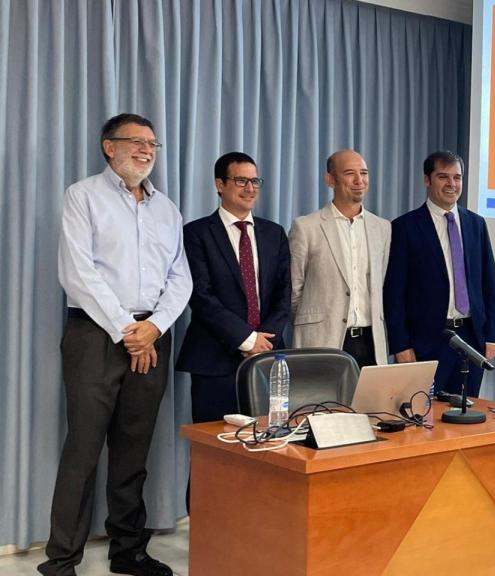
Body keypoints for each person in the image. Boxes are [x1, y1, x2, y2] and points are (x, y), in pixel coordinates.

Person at [40, 113, 192, 576]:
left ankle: (128, 550)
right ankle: (61, 559)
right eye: (136, 142)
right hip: (95, 335)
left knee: (134, 449)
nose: (147, 150)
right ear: (109, 147)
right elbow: (78, 272)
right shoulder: (82, 196)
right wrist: (129, 330)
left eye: (152, 144)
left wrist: (154, 329)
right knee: (83, 449)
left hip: (152, 337)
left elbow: (180, 278)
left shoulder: (167, 209)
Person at [176, 152, 291, 423]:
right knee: (216, 453)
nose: (250, 189)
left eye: (255, 181)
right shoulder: (196, 233)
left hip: (267, 358)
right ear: (219, 185)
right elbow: (201, 296)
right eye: (241, 181)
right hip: (214, 359)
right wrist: (246, 339)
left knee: (269, 447)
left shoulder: (274, 233)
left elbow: (283, 293)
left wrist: (264, 340)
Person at [384, 150, 495, 398]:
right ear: (427, 180)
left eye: (457, 177)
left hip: (470, 339)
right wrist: (400, 345)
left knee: (467, 415)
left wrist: (492, 336)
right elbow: (394, 293)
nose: (452, 184)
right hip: (426, 340)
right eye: (443, 177)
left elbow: (489, 285)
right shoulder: (405, 227)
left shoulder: (476, 224)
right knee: (425, 417)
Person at [289, 149, 390, 367]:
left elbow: (380, 284)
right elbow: (294, 291)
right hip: (322, 340)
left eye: (363, 173)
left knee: (370, 403)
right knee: (323, 403)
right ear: (330, 180)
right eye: (349, 173)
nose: (359, 180)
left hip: (371, 343)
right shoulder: (306, 227)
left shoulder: (382, 228)